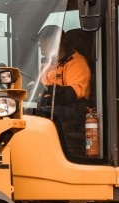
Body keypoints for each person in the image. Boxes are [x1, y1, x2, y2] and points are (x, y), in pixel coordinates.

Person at [35, 25, 93, 157]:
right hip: (49, 114)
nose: (40, 45)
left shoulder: (75, 62)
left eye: (44, 40)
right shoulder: (47, 65)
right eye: (40, 41)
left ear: (57, 40)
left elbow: (78, 91)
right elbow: (41, 89)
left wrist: (49, 91)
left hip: (71, 117)